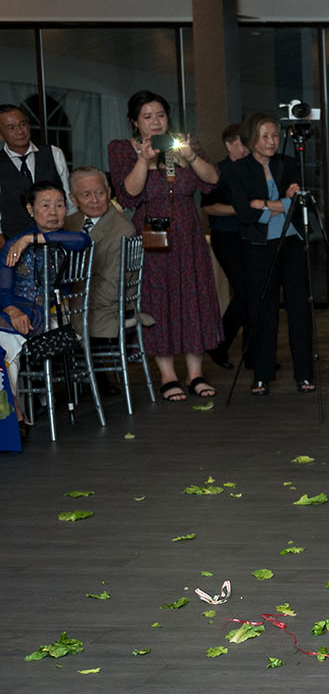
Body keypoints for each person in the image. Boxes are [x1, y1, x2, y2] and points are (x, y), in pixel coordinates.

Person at [107, 89, 223, 403]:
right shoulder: (122, 149)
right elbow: (129, 195)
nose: (156, 123)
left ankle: (196, 373)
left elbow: (212, 181)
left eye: (160, 116)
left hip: (187, 234)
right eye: (148, 117)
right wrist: (144, 160)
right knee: (158, 301)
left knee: (192, 297)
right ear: (135, 122)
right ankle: (168, 375)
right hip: (152, 235)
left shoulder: (181, 144)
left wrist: (191, 157)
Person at [221, 114, 316, 396]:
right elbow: (245, 212)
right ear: (251, 139)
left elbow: (298, 204)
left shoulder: (287, 164)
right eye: (265, 136)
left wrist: (266, 204)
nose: (272, 141)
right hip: (259, 245)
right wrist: (280, 203)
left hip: (292, 242)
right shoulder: (237, 171)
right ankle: (261, 375)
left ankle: (305, 375)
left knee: (300, 308)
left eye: (275, 135)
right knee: (263, 309)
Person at [0, 181, 91, 450]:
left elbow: (82, 240)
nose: (54, 212)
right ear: (30, 209)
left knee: (7, 344)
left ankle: (12, 418)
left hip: (52, 316)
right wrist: (12, 310)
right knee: (6, 345)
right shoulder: (13, 245)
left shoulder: (67, 240)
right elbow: (3, 289)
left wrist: (32, 239)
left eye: (60, 205)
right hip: (16, 313)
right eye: (45, 205)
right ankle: (14, 412)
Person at [63, 166, 139, 342]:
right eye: (86, 195)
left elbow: (112, 289)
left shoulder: (123, 230)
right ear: (73, 199)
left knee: (45, 326)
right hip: (77, 303)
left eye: (100, 193)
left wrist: (68, 298)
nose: (95, 200)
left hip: (105, 310)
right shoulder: (68, 223)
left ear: (109, 192)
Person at [199, 123, 250, 367]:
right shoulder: (218, 171)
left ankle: (252, 351)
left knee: (254, 292)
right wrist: (240, 210)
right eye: (244, 141)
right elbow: (207, 206)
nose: (248, 146)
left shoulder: (253, 168)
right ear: (230, 144)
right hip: (226, 236)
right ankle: (219, 344)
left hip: (250, 236)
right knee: (246, 292)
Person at [0, 102, 73, 244]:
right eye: (11, 128)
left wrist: (70, 237)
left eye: (22, 124)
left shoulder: (53, 153)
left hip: (55, 240)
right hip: (13, 242)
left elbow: (69, 202)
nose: (20, 131)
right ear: (1, 133)